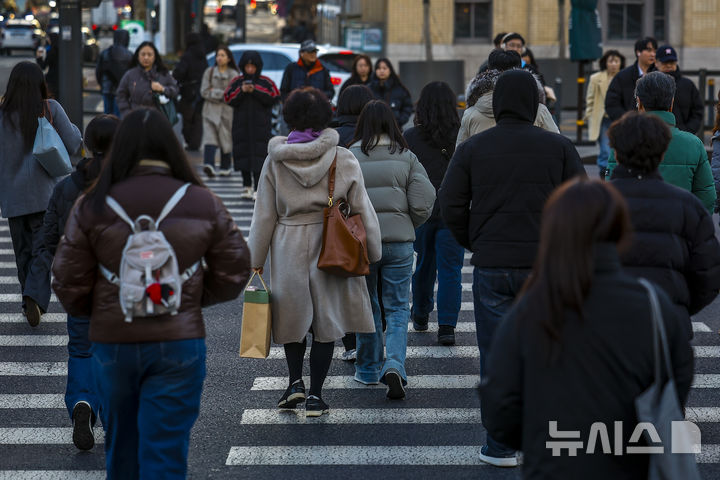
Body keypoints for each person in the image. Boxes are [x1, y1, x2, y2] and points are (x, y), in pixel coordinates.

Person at [52, 108, 251, 479]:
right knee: (165, 453)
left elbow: (66, 279)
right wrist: (186, 297)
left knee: (121, 450)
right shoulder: (200, 200)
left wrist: (105, 307)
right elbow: (235, 269)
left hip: (114, 341)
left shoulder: (93, 204)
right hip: (178, 341)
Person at [481, 178, 694, 478]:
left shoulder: (531, 308)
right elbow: (678, 378)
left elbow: (500, 408)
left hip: (553, 466)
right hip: (632, 466)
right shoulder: (652, 304)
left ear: (554, 230)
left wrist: (540, 438)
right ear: (619, 229)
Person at [439, 70, 585, 467]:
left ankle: (500, 444)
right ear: (535, 104)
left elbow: (450, 203)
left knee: (496, 353)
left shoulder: (474, 148)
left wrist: (475, 240)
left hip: (492, 264)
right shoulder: (559, 147)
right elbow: (583, 205)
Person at [247, 87, 381, 417]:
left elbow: (264, 215)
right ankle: (317, 396)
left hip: (287, 242)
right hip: (331, 242)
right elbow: (362, 206)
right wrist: (374, 249)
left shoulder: (275, 160)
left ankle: (294, 382)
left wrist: (255, 260)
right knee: (326, 321)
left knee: (291, 317)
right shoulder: (342, 157)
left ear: (289, 118)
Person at [37, 114, 120, 451]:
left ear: (86, 145)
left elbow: (48, 237)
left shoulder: (66, 187)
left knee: (82, 349)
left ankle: (82, 401)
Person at [350, 100, 435, 399]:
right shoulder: (406, 156)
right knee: (398, 307)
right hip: (399, 243)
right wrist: (409, 224)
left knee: (368, 305)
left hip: (362, 243)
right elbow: (424, 200)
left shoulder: (350, 156)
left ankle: (368, 369)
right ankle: (395, 365)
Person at [609, 112, 720, 339]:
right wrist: (680, 306)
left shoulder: (592, 203)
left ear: (616, 154)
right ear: (661, 154)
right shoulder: (688, 205)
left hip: (608, 327)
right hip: (669, 325)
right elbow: (708, 274)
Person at [0, 61, 83, 327]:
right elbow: (73, 143)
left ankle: (29, 302)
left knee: (23, 252)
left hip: (13, 198)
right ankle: (34, 295)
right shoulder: (50, 108)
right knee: (44, 250)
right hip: (45, 195)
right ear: (40, 84)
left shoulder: (2, 114)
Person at [404, 82, 465, 346]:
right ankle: (447, 326)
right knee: (451, 269)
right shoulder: (461, 135)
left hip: (421, 211)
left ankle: (420, 313)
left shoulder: (411, 137)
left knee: (423, 265)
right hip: (453, 211)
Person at [606, 71, 716, 212]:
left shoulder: (622, 138)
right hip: (678, 221)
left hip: (631, 221)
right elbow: (706, 196)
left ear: (639, 102)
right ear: (671, 103)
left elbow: (611, 193)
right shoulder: (693, 143)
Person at [457, 50, 558, 146]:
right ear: (521, 72)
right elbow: (557, 145)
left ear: (488, 73)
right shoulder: (539, 111)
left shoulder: (471, 114)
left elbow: (460, 152)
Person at [225, 50, 280, 199]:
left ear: (258, 67)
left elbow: (274, 96)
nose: (250, 69)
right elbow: (228, 98)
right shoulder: (237, 82)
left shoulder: (266, 82)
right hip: (241, 126)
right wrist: (241, 91)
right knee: (242, 155)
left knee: (259, 157)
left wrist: (255, 90)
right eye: (247, 66)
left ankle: (258, 188)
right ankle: (246, 186)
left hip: (260, 127)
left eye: (253, 66)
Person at [585, 50, 625, 179]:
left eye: (616, 61)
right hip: (603, 118)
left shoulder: (624, 77)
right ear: (605, 63)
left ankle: (615, 172)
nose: (613, 64)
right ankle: (604, 173)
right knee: (605, 149)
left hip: (620, 118)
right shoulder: (595, 78)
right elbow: (590, 98)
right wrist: (589, 115)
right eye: (610, 61)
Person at [200, 45, 239, 178]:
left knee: (225, 138)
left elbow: (233, 94)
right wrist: (222, 94)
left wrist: (214, 92)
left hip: (227, 112)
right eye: (218, 55)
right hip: (209, 111)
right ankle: (209, 165)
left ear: (229, 58)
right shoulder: (209, 72)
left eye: (222, 55)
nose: (219, 58)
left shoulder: (233, 74)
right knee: (209, 138)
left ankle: (225, 167)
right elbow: (204, 92)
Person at [116, 41, 179, 118]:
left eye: (149, 54)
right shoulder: (130, 74)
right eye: (143, 54)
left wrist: (163, 89)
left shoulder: (163, 74)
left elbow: (175, 90)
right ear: (138, 56)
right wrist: (127, 113)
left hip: (158, 119)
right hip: (135, 118)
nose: (146, 57)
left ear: (155, 56)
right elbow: (120, 95)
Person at [605, 36, 657, 121]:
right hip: (629, 125)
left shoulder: (660, 76)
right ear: (638, 52)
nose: (653, 54)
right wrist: (627, 120)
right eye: (649, 50)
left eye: (655, 51)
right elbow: (612, 104)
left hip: (656, 125)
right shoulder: (623, 76)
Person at [655, 44, 704, 134]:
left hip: (683, 134)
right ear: (656, 63)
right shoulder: (649, 84)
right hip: (655, 135)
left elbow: (697, 111)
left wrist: (688, 131)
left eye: (672, 62)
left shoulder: (688, 85)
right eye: (665, 62)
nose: (669, 65)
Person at [173, 33, 209, 151]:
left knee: (187, 118)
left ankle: (190, 141)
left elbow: (179, 72)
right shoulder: (202, 55)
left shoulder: (187, 56)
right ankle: (195, 143)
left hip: (188, 91)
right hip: (201, 90)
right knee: (198, 118)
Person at [95, 29, 133, 116]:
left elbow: (98, 72)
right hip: (121, 91)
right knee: (118, 117)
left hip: (107, 88)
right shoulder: (129, 55)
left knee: (107, 116)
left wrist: (102, 85)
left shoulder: (105, 53)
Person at [369, 58, 413, 129]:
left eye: (384, 68)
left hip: (395, 130)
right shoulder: (369, 88)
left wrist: (399, 121)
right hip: (372, 130)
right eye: (379, 68)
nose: (381, 71)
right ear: (375, 71)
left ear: (390, 70)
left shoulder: (399, 89)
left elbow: (408, 107)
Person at [36, 32, 59, 98]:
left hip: (52, 78)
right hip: (60, 77)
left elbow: (43, 66)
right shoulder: (61, 50)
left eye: (48, 38)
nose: (47, 40)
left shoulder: (52, 51)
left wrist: (39, 58)